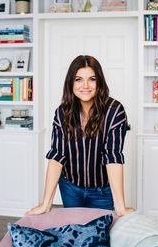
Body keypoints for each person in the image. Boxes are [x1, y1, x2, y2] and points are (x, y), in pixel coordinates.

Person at [26, 55, 134, 217]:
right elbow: (57, 156)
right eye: (78, 79)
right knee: (74, 232)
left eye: (92, 79)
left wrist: (120, 206)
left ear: (100, 82)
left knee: (99, 237)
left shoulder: (114, 111)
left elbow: (113, 157)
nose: (85, 85)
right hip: (70, 188)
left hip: (102, 192)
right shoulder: (62, 112)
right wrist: (46, 203)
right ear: (71, 82)